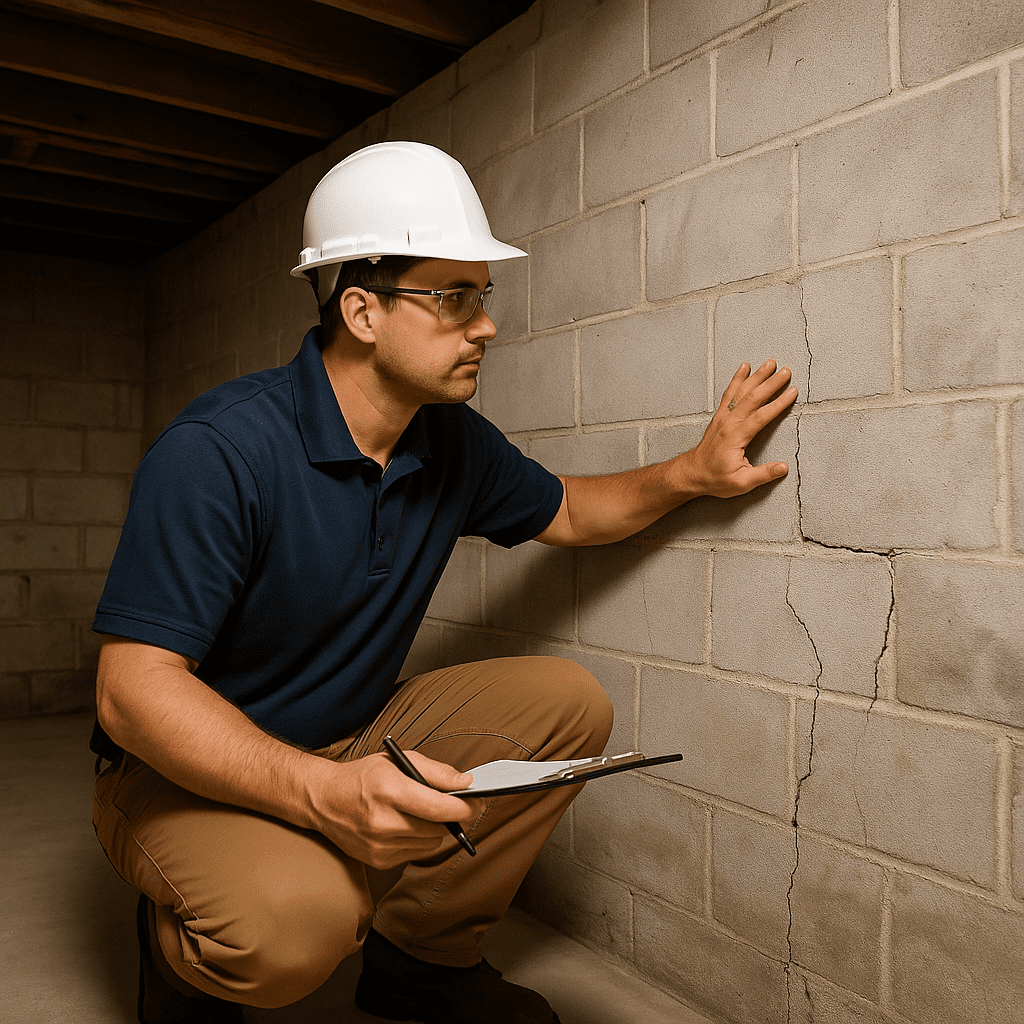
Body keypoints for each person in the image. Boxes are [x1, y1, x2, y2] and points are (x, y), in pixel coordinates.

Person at [90, 141, 797, 1024]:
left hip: (345, 734)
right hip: (179, 771)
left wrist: (693, 473)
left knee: (565, 703)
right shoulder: (220, 452)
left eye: (483, 296)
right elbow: (131, 693)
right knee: (298, 928)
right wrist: (322, 796)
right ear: (362, 311)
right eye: (453, 298)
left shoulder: (448, 438)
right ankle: (183, 950)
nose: (486, 325)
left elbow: (570, 513)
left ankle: (419, 961)